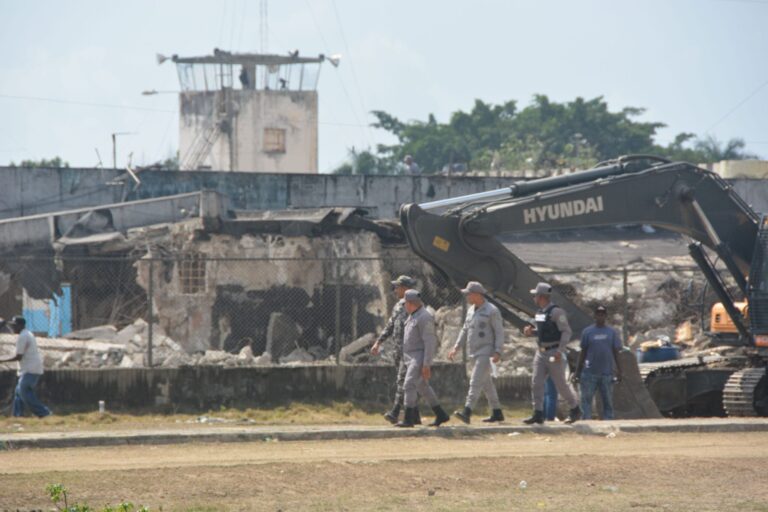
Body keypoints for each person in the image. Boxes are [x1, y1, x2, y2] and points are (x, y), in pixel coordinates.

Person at [521, 282, 581, 425]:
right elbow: (542, 331)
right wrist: (530, 332)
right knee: (536, 383)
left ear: (541, 297)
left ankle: (575, 408)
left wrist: (560, 350)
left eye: (535, 295)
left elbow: (566, 331)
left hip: (554, 352)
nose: (534, 297)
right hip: (541, 352)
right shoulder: (540, 313)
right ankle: (538, 413)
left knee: (561, 384)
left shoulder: (556, 312)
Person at [448, 281, 505, 423]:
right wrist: (456, 347)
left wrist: (498, 351)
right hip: (473, 351)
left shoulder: (492, 310)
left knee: (475, 381)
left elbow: (499, 332)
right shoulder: (471, 310)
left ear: (477, 294)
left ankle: (467, 411)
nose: (467, 297)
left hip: (486, 351)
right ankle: (497, 412)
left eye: (469, 294)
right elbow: (465, 330)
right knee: (487, 384)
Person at [397, 289, 450, 428]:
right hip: (411, 357)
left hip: (419, 357)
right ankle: (441, 414)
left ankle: (408, 419)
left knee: (409, 384)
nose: (404, 306)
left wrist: (426, 364)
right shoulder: (413, 316)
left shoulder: (424, 317)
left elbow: (430, 341)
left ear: (410, 303)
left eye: (405, 304)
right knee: (423, 387)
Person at [371, 275, 419, 424]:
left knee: (402, 381)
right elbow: (390, 325)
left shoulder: (414, 305)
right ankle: (415, 416)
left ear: (405, 288)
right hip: (398, 349)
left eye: (398, 287)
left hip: (409, 349)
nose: (395, 289)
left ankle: (395, 412)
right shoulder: (399, 305)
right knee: (408, 383)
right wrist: (379, 342)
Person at [573, 305, 623, 420]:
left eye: (602, 314)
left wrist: (620, 371)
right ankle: (586, 422)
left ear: (606, 316)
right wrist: (577, 372)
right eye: (598, 314)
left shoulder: (612, 332)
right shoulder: (587, 332)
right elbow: (583, 352)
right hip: (589, 372)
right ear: (594, 316)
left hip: (606, 373)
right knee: (586, 401)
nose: (600, 316)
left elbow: (616, 352)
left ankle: (608, 422)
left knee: (608, 401)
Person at [0, 316, 51, 418]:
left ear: (21, 326)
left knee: (24, 392)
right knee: (18, 393)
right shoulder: (26, 334)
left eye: (14, 326)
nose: (12, 328)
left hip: (30, 369)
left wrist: (2, 359)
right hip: (30, 368)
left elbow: (18, 356)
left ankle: (44, 413)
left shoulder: (23, 336)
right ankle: (18, 415)